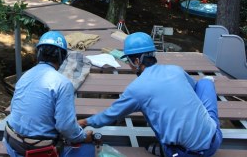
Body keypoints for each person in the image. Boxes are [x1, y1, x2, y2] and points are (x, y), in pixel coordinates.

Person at [78, 32, 222, 157]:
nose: (128, 64)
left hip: (184, 154)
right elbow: (194, 89)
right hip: (215, 139)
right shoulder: (175, 70)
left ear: (136, 61)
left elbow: (110, 115)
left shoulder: (136, 90)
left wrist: (85, 122)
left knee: (148, 110)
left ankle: (166, 149)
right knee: (205, 83)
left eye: (128, 60)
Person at [3, 31, 94, 157]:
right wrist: (83, 137)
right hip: (38, 152)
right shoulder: (63, 83)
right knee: (88, 149)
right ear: (62, 57)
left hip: (11, 144)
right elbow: (65, 126)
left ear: (39, 53)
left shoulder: (25, 76)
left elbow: (15, 108)